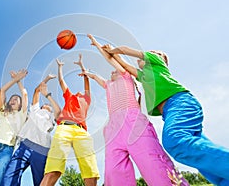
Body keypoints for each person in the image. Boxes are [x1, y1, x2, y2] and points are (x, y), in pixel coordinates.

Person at [105, 43, 229, 186]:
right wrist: (112, 55)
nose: (149, 52)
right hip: (171, 111)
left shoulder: (156, 62)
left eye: (153, 51)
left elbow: (125, 50)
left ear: (161, 58)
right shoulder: (143, 76)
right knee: (202, 162)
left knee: (175, 140)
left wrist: (112, 50)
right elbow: (125, 66)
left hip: (180, 102)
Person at [81, 34, 188, 186]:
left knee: (153, 165)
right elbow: (95, 77)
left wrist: (97, 44)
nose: (112, 72)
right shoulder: (108, 85)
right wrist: (87, 73)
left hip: (133, 122)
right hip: (113, 129)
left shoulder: (126, 77)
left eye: (115, 70)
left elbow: (111, 59)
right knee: (114, 172)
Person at [40, 54, 100, 186]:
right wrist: (60, 67)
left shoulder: (86, 99)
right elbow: (61, 82)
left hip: (82, 131)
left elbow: (86, 79)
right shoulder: (70, 96)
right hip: (64, 128)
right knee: (53, 169)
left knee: (90, 171)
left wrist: (81, 65)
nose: (79, 91)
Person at [1, 74, 61, 186]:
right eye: (45, 105)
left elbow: (58, 111)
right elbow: (36, 91)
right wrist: (46, 79)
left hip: (41, 149)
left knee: (40, 182)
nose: (46, 105)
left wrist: (48, 96)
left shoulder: (52, 116)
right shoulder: (35, 110)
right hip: (25, 144)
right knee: (9, 177)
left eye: (49, 106)